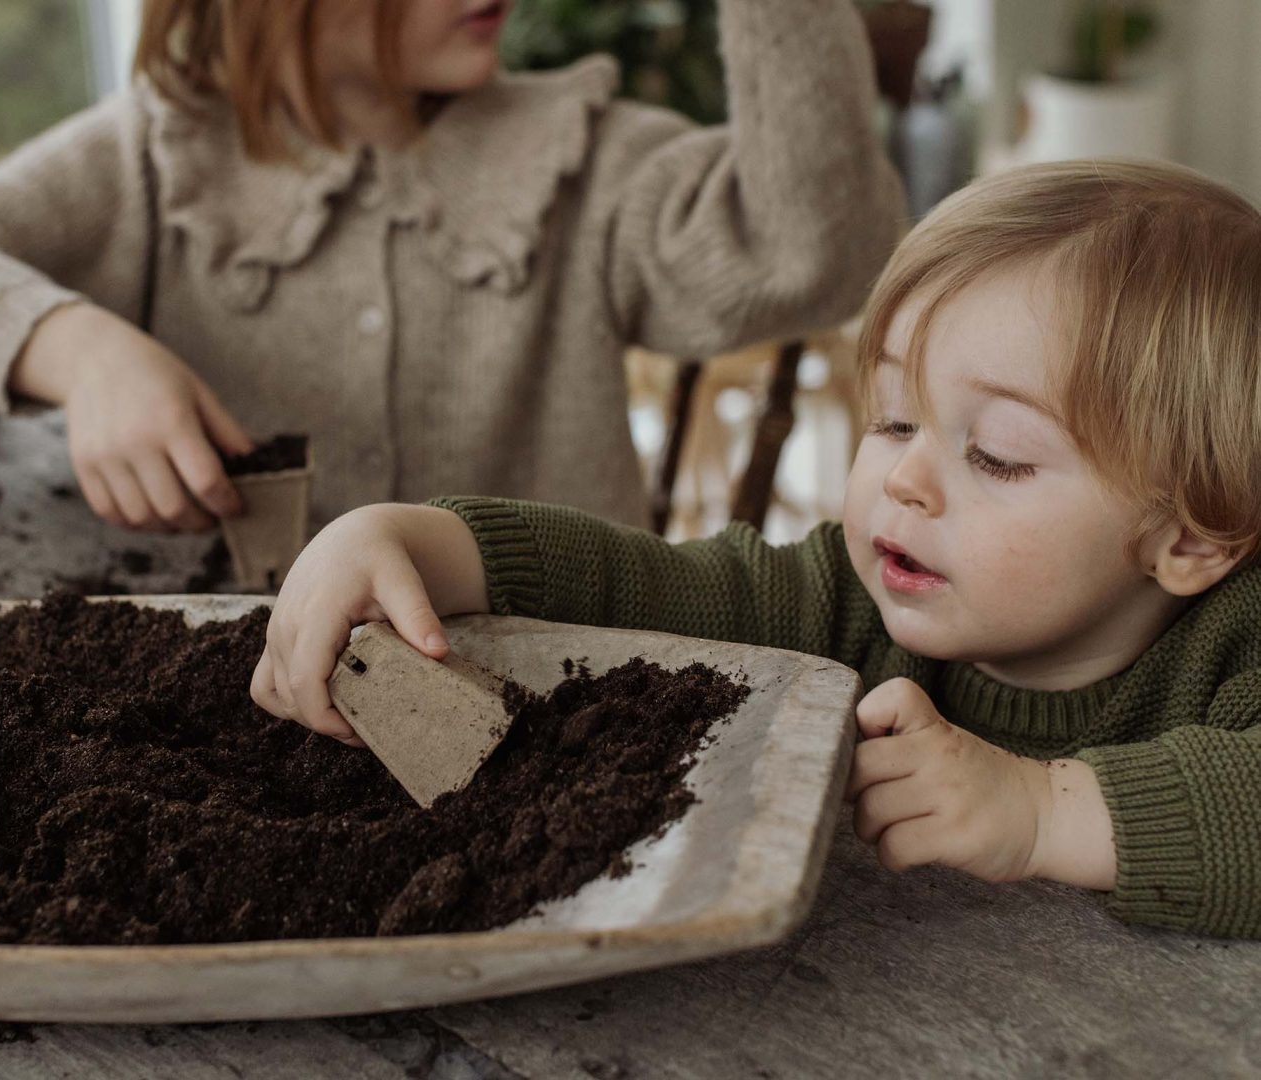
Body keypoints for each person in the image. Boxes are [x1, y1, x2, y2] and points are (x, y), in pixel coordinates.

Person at [252, 160, 1261, 938]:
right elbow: (650, 585)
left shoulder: (1233, 649)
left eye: (995, 456)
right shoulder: (842, 598)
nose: (907, 480)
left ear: (1187, 539)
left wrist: (1038, 813)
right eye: (896, 421)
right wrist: (415, 540)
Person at [0, 0, 903, 534]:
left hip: (571, 734)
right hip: (227, 742)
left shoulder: (588, 158)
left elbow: (820, 251)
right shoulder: (155, 156)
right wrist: (81, 353)